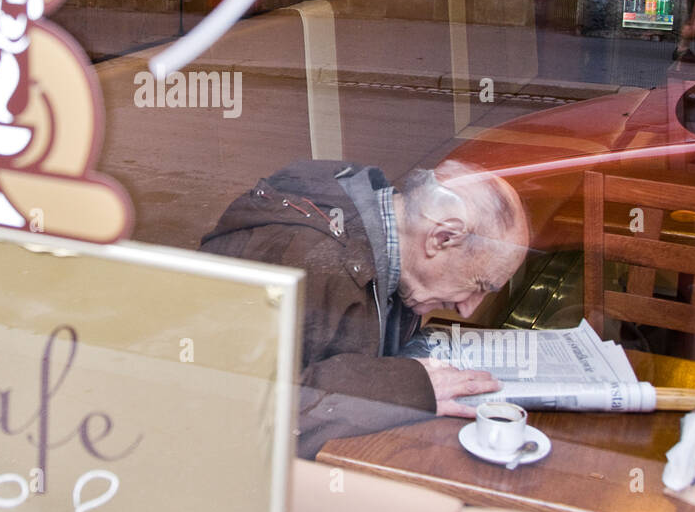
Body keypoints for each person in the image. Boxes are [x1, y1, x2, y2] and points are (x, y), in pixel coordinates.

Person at [199, 159, 530, 459]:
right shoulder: (305, 257)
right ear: (440, 238)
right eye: (478, 284)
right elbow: (241, 412)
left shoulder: (379, 232)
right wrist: (409, 387)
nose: (468, 310)